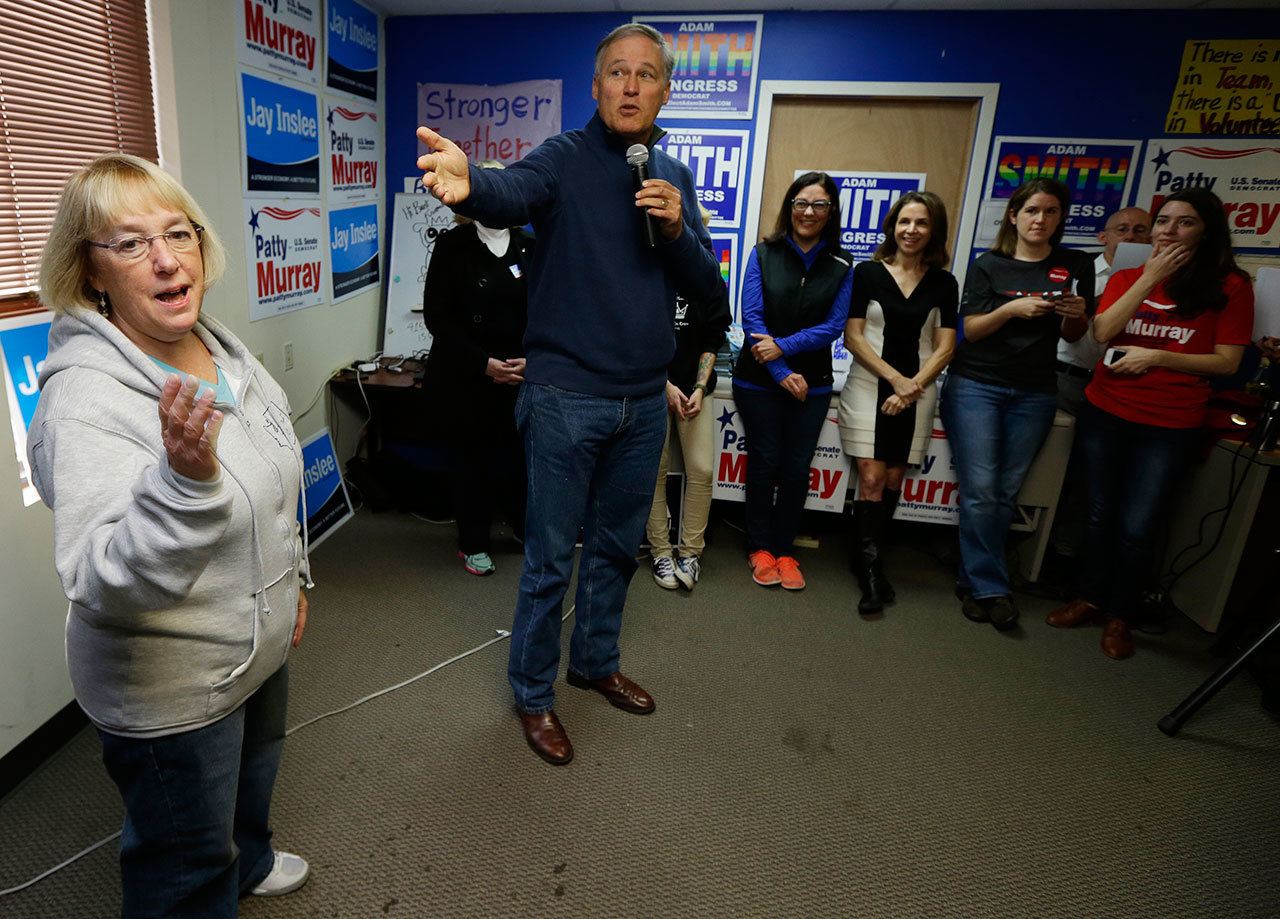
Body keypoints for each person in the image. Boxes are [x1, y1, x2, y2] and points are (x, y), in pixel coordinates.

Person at [415, 23, 723, 766]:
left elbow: (710, 298)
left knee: (617, 550)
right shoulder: (563, 157)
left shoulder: (671, 179)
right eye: (617, 72)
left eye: (646, 74)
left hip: (643, 401)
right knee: (552, 559)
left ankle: (594, 661)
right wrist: (473, 182)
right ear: (596, 86)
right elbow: (513, 188)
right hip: (564, 399)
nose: (629, 85)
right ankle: (532, 692)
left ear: (664, 91)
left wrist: (679, 231)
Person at [27, 153, 311, 916]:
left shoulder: (224, 352)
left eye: (177, 233)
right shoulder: (83, 401)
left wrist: (297, 580)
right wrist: (183, 486)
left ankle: (247, 860)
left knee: (251, 782)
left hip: (255, 640)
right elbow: (99, 580)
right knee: (182, 864)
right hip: (172, 685)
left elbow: (278, 483)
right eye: (128, 242)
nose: (164, 258)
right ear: (90, 271)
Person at [1046, 189, 1254, 659]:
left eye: (1184, 223)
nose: (1168, 231)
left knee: (1138, 524)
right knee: (1098, 512)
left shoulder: (1231, 286)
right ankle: (1090, 597)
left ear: (1206, 232)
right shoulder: (1127, 277)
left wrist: (1156, 356)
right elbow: (1101, 332)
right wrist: (1149, 278)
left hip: (1169, 422)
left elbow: (1227, 362)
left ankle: (1121, 615)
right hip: (1106, 409)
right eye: (1163, 222)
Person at [939, 178, 1094, 630]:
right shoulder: (990, 265)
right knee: (983, 488)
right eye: (1031, 211)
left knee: (1005, 492)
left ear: (1060, 219)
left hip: (1036, 390)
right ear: (1014, 216)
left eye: (1049, 212)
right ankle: (992, 587)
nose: (1039, 220)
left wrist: (1077, 315)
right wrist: (1011, 310)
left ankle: (972, 582)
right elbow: (969, 330)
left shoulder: (1075, 264)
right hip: (978, 384)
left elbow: (1073, 336)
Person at [733, 172, 853, 592]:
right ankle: (760, 548)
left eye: (819, 204)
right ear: (790, 206)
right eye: (801, 202)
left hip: (814, 383)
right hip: (758, 382)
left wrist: (782, 347)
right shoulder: (763, 252)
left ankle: (785, 551)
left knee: (797, 468)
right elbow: (752, 320)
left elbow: (834, 325)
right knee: (765, 462)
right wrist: (781, 372)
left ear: (830, 211)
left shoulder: (842, 262)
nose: (808, 212)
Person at [839, 191, 957, 614]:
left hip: (919, 392)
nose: (911, 230)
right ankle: (870, 572)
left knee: (892, 479)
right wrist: (895, 380)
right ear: (893, 226)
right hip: (870, 386)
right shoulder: (867, 273)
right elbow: (852, 336)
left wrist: (912, 387)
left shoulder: (944, 282)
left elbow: (945, 347)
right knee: (870, 477)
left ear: (933, 231)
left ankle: (868, 555)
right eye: (905, 221)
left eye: (921, 223)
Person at [421, 160, 532, 577]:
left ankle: (524, 528)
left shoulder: (529, 246)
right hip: (470, 376)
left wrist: (533, 360)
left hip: (523, 376)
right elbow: (438, 319)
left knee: (523, 459)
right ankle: (473, 543)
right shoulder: (453, 245)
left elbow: (548, 313)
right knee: (474, 463)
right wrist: (484, 365)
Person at [1044, 207, 1152, 587]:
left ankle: (1064, 558)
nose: (1132, 237)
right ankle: (1025, 551)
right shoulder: (1077, 271)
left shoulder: (1154, 283)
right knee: (1042, 469)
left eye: (1141, 231)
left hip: (1114, 386)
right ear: (1103, 237)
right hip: (1061, 378)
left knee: (1088, 480)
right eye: (1122, 229)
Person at [646, 206, 731, 592]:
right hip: (651, 386)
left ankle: (690, 554)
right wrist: (664, 384)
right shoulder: (653, 265)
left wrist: (698, 387)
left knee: (702, 470)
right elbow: (637, 333)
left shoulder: (709, 274)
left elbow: (715, 336)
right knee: (653, 473)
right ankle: (661, 552)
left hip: (696, 390)